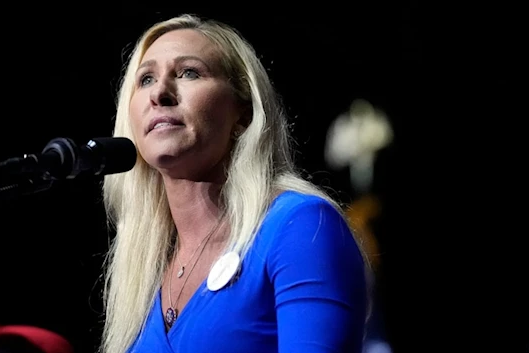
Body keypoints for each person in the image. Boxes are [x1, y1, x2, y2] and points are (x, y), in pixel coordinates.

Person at [100, 13, 370, 353]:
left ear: (243, 113)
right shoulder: (143, 267)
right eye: (146, 79)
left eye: (189, 73)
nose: (161, 93)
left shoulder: (299, 225)